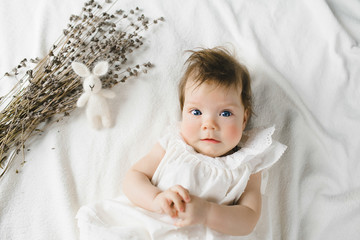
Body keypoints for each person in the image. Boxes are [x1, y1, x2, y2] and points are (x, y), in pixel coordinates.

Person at [76, 47, 287, 240]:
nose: (209, 125)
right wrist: (156, 198)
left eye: (225, 113)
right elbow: (133, 178)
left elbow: (248, 220)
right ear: (183, 112)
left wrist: (207, 212)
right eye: (196, 112)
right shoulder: (174, 144)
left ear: (244, 119)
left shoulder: (248, 163)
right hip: (148, 226)